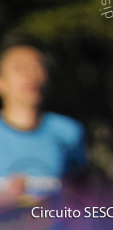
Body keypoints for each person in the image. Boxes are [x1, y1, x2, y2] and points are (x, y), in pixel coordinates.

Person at [0, 39, 86, 210]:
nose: (30, 75)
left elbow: (81, 190)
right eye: (19, 68)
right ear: (1, 82)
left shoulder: (68, 131)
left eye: (36, 66)